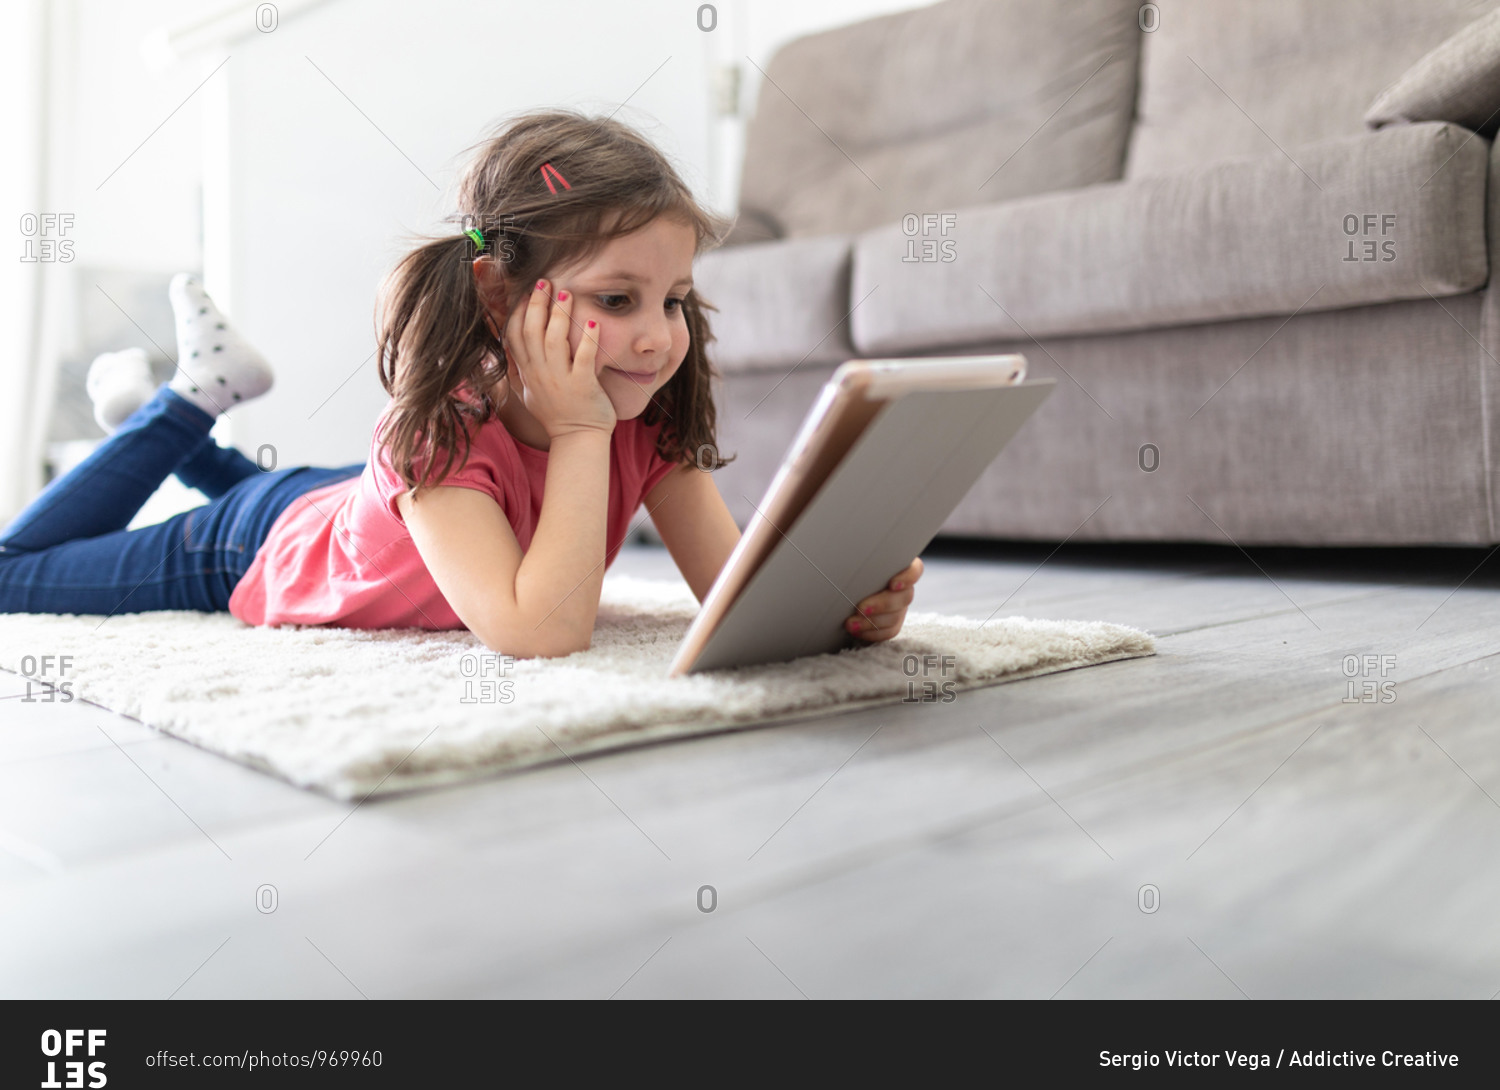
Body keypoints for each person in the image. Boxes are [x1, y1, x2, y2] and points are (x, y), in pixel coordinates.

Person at [0, 110, 922, 658]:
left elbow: (733, 593)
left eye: (674, 300)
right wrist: (579, 433)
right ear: (497, 291)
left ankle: (175, 428)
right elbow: (538, 633)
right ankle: (183, 403)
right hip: (258, 546)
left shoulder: (650, 415)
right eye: (617, 297)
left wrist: (844, 606)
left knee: (329, 496)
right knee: (12, 577)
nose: (657, 339)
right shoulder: (434, 436)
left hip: (353, 508)